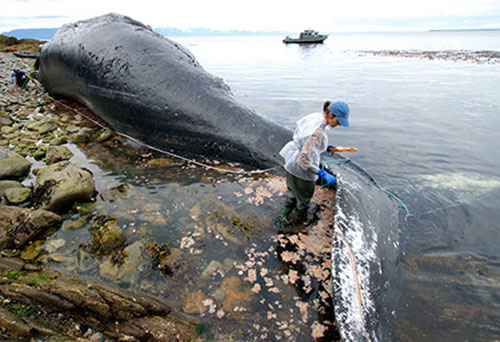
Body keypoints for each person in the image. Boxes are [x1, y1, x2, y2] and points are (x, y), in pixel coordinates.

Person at [279, 100, 350, 224]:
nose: (338, 125)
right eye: (338, 121)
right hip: (302, 170)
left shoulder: (316, 117)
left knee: (292, 191)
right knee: (304, 198)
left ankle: (285, 214)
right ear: (331, 115)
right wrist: (321, 173)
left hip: (291, 161)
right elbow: (304, 160)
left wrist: (323, 146)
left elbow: (305, 141)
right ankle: (298, 222)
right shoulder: (315, 133)